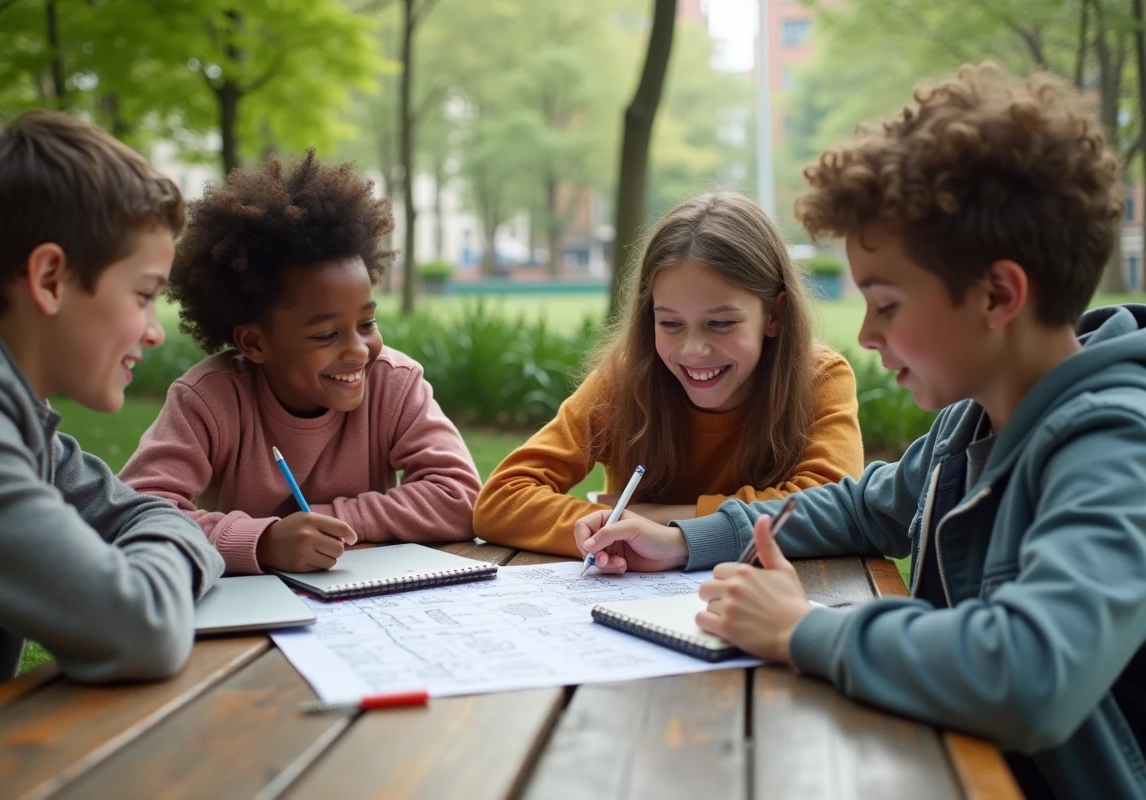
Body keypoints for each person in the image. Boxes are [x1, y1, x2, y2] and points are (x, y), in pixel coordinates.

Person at [573, 63, 1146, 799]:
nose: (868, 334)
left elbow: (1031, 674)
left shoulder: (1115, 447)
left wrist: (799, 628)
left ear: (998, 295)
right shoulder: (970, 424)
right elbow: (856, 505)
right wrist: (685, 540)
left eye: (887, 303)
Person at [0, 110, 225, 706]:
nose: (154, 332)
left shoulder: (16, 421)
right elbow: (138, 628)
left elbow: (147, 514)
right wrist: (172, 553)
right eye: (145, 296)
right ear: (50, 278)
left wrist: (166, 541)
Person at [120, 152, 482, 574]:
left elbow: (460, 497)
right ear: (254, 342)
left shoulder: (394, 384)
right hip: (248, 612)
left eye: (367, 322)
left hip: (361, 601)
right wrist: (264, 541)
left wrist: (334, 522)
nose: (359, 350)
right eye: (327, 334)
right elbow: (138, 513)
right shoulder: (208, 400)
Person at [474, 192, 863, 557]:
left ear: (773, 315)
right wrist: (602, 531)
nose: (693, 350)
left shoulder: (820, 379)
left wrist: (658, 519)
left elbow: (830, 509)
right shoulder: (624, 381)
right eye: (671, 324)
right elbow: (501, 500)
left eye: (720, 323)